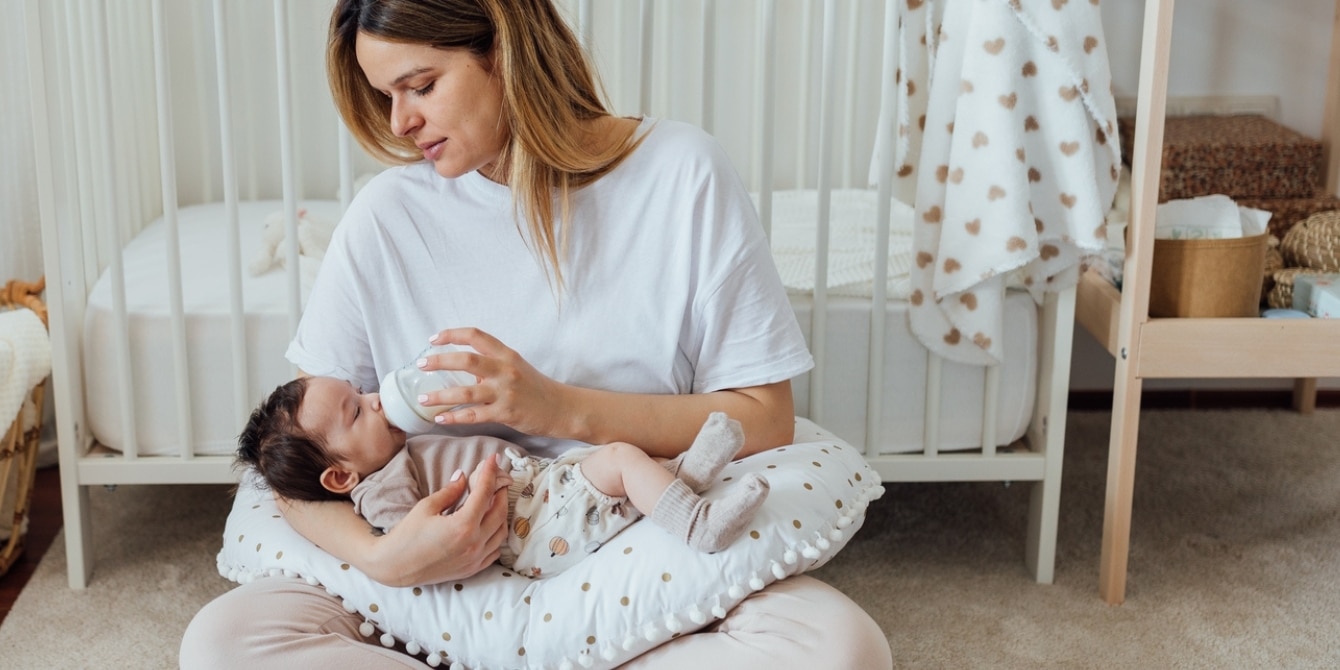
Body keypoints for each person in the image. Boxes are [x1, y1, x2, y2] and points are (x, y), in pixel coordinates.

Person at [182, 0, 893, 667]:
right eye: (385, 96)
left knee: (839, 649)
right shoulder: (385, 219)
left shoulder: (681, 174)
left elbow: (766, 418)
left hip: (632, 540)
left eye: (421, 86)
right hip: (442, 580)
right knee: (222, 644)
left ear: (505, 50)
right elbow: (293, 468)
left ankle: (605, 644)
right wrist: (382, 557)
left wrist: (559, 409)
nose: (398, 122)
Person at [237, 376, 770, 577]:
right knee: (619, 461)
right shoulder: (382, 489)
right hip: (529, 523)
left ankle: (684, 476)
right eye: (357, 412)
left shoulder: (395, 455)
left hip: (540, 490)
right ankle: (699, 523)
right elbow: (421, 541)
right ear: (339, 476)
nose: (375, 398)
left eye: (360, 392)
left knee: (619, 472)